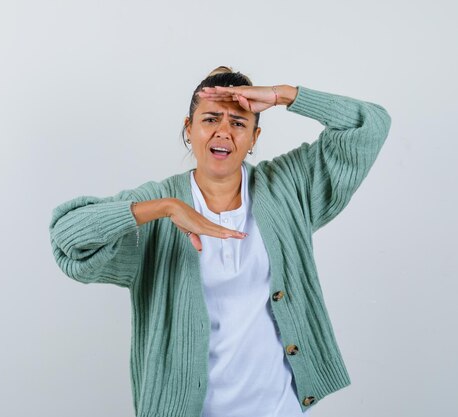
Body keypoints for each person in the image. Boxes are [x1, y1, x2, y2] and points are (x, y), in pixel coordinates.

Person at [49, 66, 391, 417]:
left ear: (255, 137)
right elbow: (66, 238)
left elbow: (371, 125)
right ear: (189, 129)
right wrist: (165, 208)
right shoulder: (160, 203)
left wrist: (285, 95)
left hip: (279, 407)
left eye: (239, 123)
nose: (223, 132)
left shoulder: (288, 188)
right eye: (210, 119)